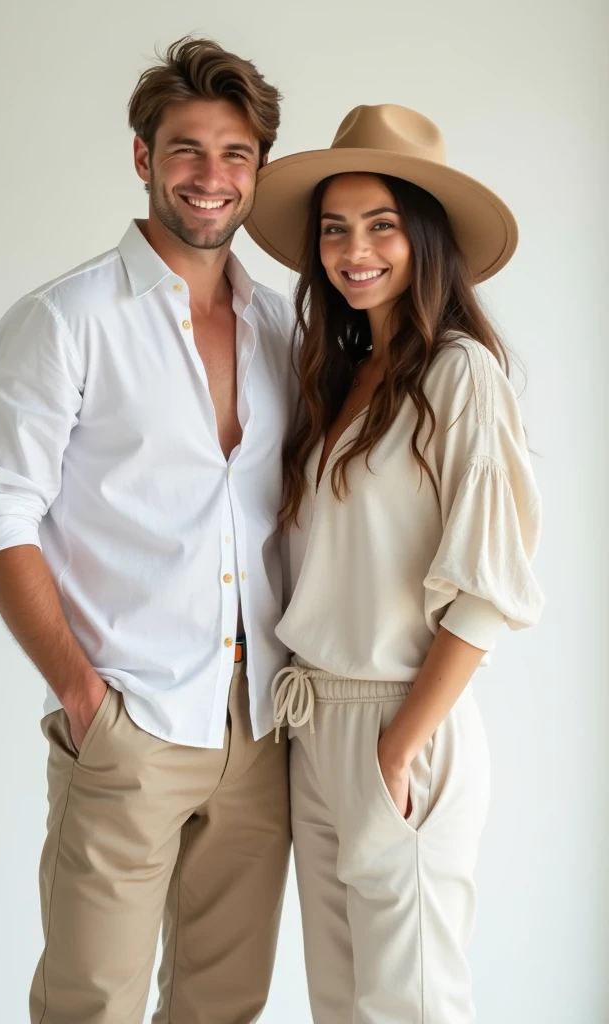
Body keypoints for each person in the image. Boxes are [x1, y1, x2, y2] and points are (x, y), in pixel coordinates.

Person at [0, 37, 295, 1024]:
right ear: (142, 158)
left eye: (234, 155)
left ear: (259, 170)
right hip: (129, 722)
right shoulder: (67, 320)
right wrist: (81, 694)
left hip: (261, 725)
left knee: (222, 1002)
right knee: (87, 1004)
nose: (211, 177)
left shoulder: (283, 329)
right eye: (186, 149)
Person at [245, 103, 544, 1023]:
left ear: (425, 237)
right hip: (312, 721)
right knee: (342, 1004)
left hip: (402, 718)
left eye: (380, 225)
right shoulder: (334, 377)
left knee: (409, 1006)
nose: (352, 249)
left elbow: (489, 593)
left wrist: (399, 744)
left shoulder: (461, 376)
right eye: (334, 229)